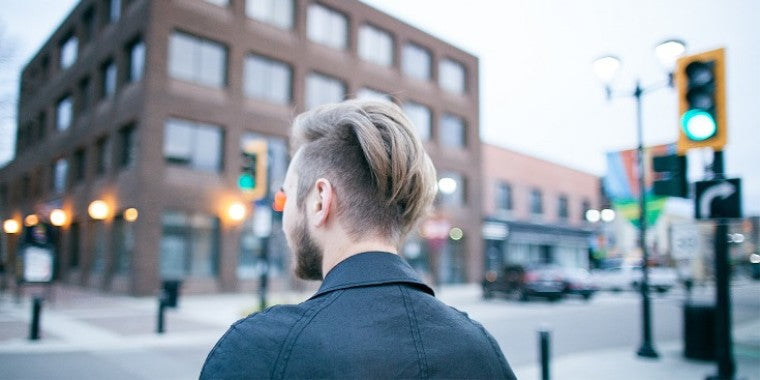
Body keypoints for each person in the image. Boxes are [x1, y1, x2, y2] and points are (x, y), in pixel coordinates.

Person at [200, 100, 516, 379]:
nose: (282, 218)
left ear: (319, 201)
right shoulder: (480, 349)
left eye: (285, 196)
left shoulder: (257, 350)